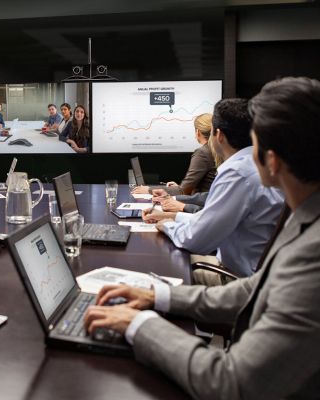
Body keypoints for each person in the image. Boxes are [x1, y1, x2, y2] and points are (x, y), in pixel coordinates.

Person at [84, 76, 320, 400]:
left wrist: (139, 325)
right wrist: (159, 297)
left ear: (273, 160)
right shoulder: (306, 215)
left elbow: (231, 382)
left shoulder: (313, 254)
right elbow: (257, 287)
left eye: (254, 145)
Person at [143, 98, 283, 279]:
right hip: (255, 272)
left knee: (161, 270)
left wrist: (167, 226)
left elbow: (196, 241)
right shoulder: (254, 165)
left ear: (219, 135)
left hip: (239, 280)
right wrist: (173, 216)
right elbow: (210, 219)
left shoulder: (238, 173)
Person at [132, 113, 217, 195]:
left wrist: (148, 190)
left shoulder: (202, 153)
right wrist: (180, 188)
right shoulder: (217, 149)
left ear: (197, 132)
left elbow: (183, 191)